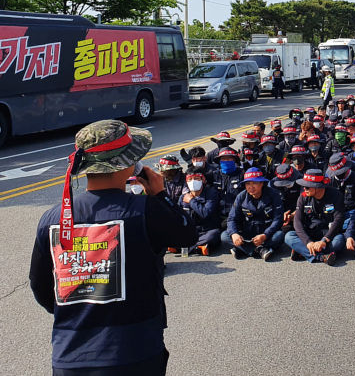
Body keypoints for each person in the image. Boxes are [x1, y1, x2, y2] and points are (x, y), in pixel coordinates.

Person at [29, 119, 196, 375]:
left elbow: (41, 287)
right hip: (134, 353)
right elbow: (187, 234)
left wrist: (81, 308)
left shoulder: (52, 218)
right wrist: (160, 195)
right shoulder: (146, 211)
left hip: (70, 356)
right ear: (130, 164)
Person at [223, 168, 285, 260]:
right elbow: (232, 218)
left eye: (254, 183)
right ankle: (260, 250)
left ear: (262, 183)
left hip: (266, 233)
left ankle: (243, 250)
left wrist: (265, 235)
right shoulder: (241, 196)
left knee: (279, 236)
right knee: (224, 236)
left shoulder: (273, 195)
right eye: (248, 184)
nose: (251, 187)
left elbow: (278, 219)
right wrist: (234, 234)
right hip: (247, 233)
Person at [286, 169, 345, 265]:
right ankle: (321, 256)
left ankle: (303, 252)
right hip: (310, 233)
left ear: (317, 187)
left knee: (339, 241)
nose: (304, 189)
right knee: (289, 236)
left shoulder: (336, 195)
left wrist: (324, 240)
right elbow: (297, 222)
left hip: (328, 234)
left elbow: (338, 220)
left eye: (307, 187)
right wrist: (308, 242)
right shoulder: (303, 197)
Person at [177, 166, 221, 255]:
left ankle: (184, 247)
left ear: (203, 179)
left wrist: (191, 201)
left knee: (214, 235)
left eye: (196, 179)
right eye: (190, 179)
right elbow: (177, 216)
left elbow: (205, 213)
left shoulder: (211, 193)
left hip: (206, 231)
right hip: (190, 231)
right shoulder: (183, 197)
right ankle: (197, 248)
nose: (193, 182)